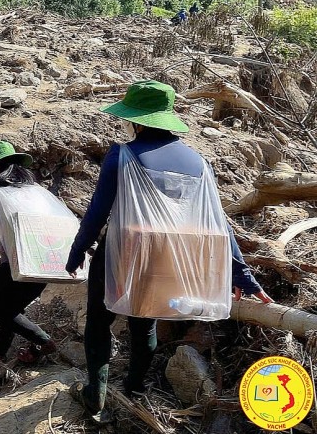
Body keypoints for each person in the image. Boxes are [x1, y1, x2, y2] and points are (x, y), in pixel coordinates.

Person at [65, 80, 273, 424]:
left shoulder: (123, 155)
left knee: (99, 323)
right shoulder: (200, 164)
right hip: (171, 258)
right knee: (144, 323)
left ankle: (95, 393)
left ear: (136, 119)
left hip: (125, 251)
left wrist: (77, 252)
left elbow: (97, 214)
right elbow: (217, 225)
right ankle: (133, 387)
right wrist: (243, 276)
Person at [0, 141, 56, 363]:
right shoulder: (37, 189)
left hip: (17, 263)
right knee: (11, 311)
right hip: (46, 262)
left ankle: (42, 340)